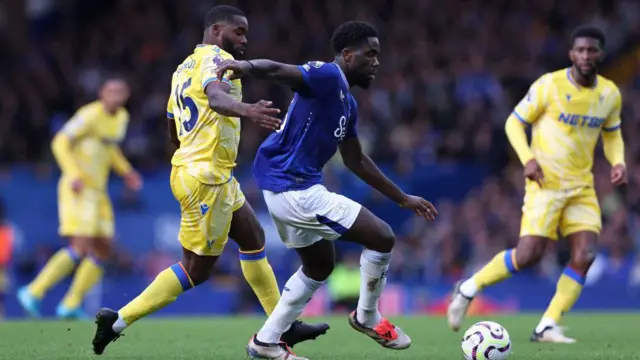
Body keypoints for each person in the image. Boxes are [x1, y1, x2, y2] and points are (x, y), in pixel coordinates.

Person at [91, 5, 328, 355]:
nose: (245, 40)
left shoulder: (181, 69)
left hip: (209, 172)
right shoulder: (216, 60)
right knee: (195, 271)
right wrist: (248, 111)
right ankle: (117, 321)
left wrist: (195, 147)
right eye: (240, 32)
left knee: (253, 237)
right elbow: (216, 97)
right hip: (206, 178)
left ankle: (283, 326)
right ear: (217, 30)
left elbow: (173, 128)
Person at [214, 21, 438, 360]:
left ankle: (266, 342)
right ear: (348, 55)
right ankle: (366, 316)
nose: (377, 62)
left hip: (284, 187)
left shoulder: (347, 104)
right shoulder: (327, 76)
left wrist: (402, 198)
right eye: (370, 54)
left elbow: (355, 159)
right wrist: (245, 66)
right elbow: (279, 70)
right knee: (383, 238)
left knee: (319, 266)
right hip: (293, 186)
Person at [447, 25, 627, 343]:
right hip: (546, 184)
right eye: (580, 50)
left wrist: (618, 162)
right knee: (529, 254)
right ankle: (467, 288)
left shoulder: (609, 94)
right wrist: (527, 159)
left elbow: (612, 135)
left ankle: (546, 325)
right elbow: (514, 122)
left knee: (585, 253)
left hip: (582, 187)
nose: (586, 55)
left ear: (600, 54)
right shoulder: (550, 85)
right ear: (572, 53)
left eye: (592, 50)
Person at [17, 76, 143, 319]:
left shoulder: (121, 119)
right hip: (79, 187)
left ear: (126, 96)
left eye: (121, 92)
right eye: (112, 91)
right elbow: (60, 142)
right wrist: (73, 172)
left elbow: (110, 149)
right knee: (81, 246)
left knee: (104, 248)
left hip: (99, 190)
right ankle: (34, 291)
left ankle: (71, 304)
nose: (116, 96)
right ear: (102, 93)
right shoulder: (89, 115)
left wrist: (127, 172)